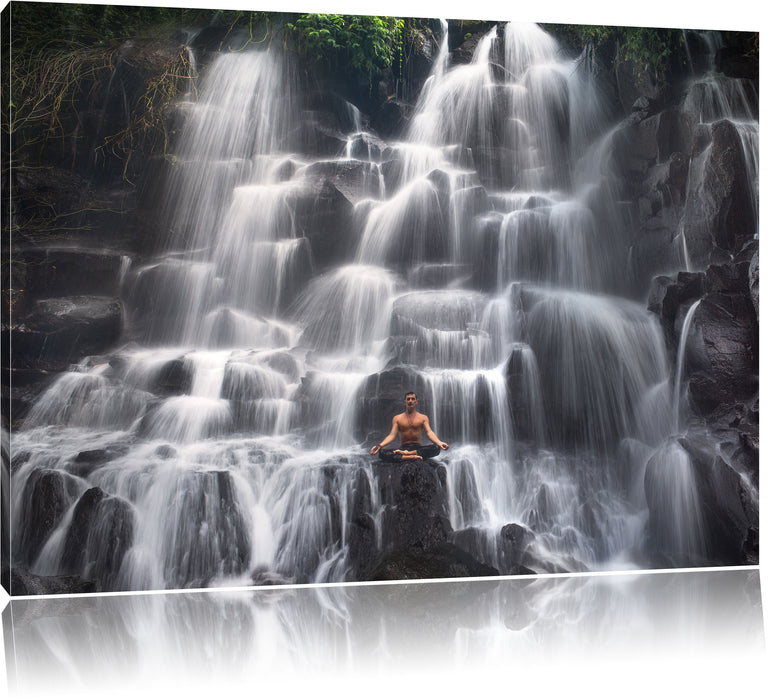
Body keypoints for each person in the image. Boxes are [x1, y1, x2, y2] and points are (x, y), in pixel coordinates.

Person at [369, 391, 449, 462]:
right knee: (382, 453)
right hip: (403, 448)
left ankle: (408, 455)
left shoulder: (423, 418)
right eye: (408, 399)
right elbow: (392, 435)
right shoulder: (397, 418)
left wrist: (439, 442)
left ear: (416, 402)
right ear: (405, 402)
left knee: (436, 448)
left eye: (412, 399)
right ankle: (409, 457)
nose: (410, 401)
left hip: (417, 448)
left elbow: (429, 432)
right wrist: (379, 446)